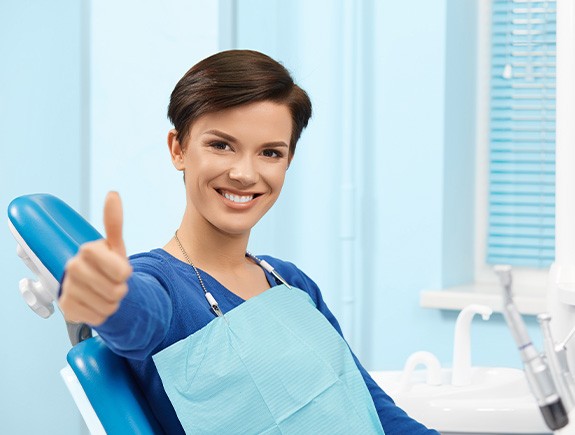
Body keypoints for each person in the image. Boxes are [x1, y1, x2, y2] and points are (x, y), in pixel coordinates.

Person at [60, 49, 438, 434]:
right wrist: (111, 298)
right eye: (221, 145)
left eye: (270, 153)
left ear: (287, 162)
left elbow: (369, 405)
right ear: (178, 149)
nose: (245, 173)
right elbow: (138, 318)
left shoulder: (291, 282)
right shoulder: (159, 285)